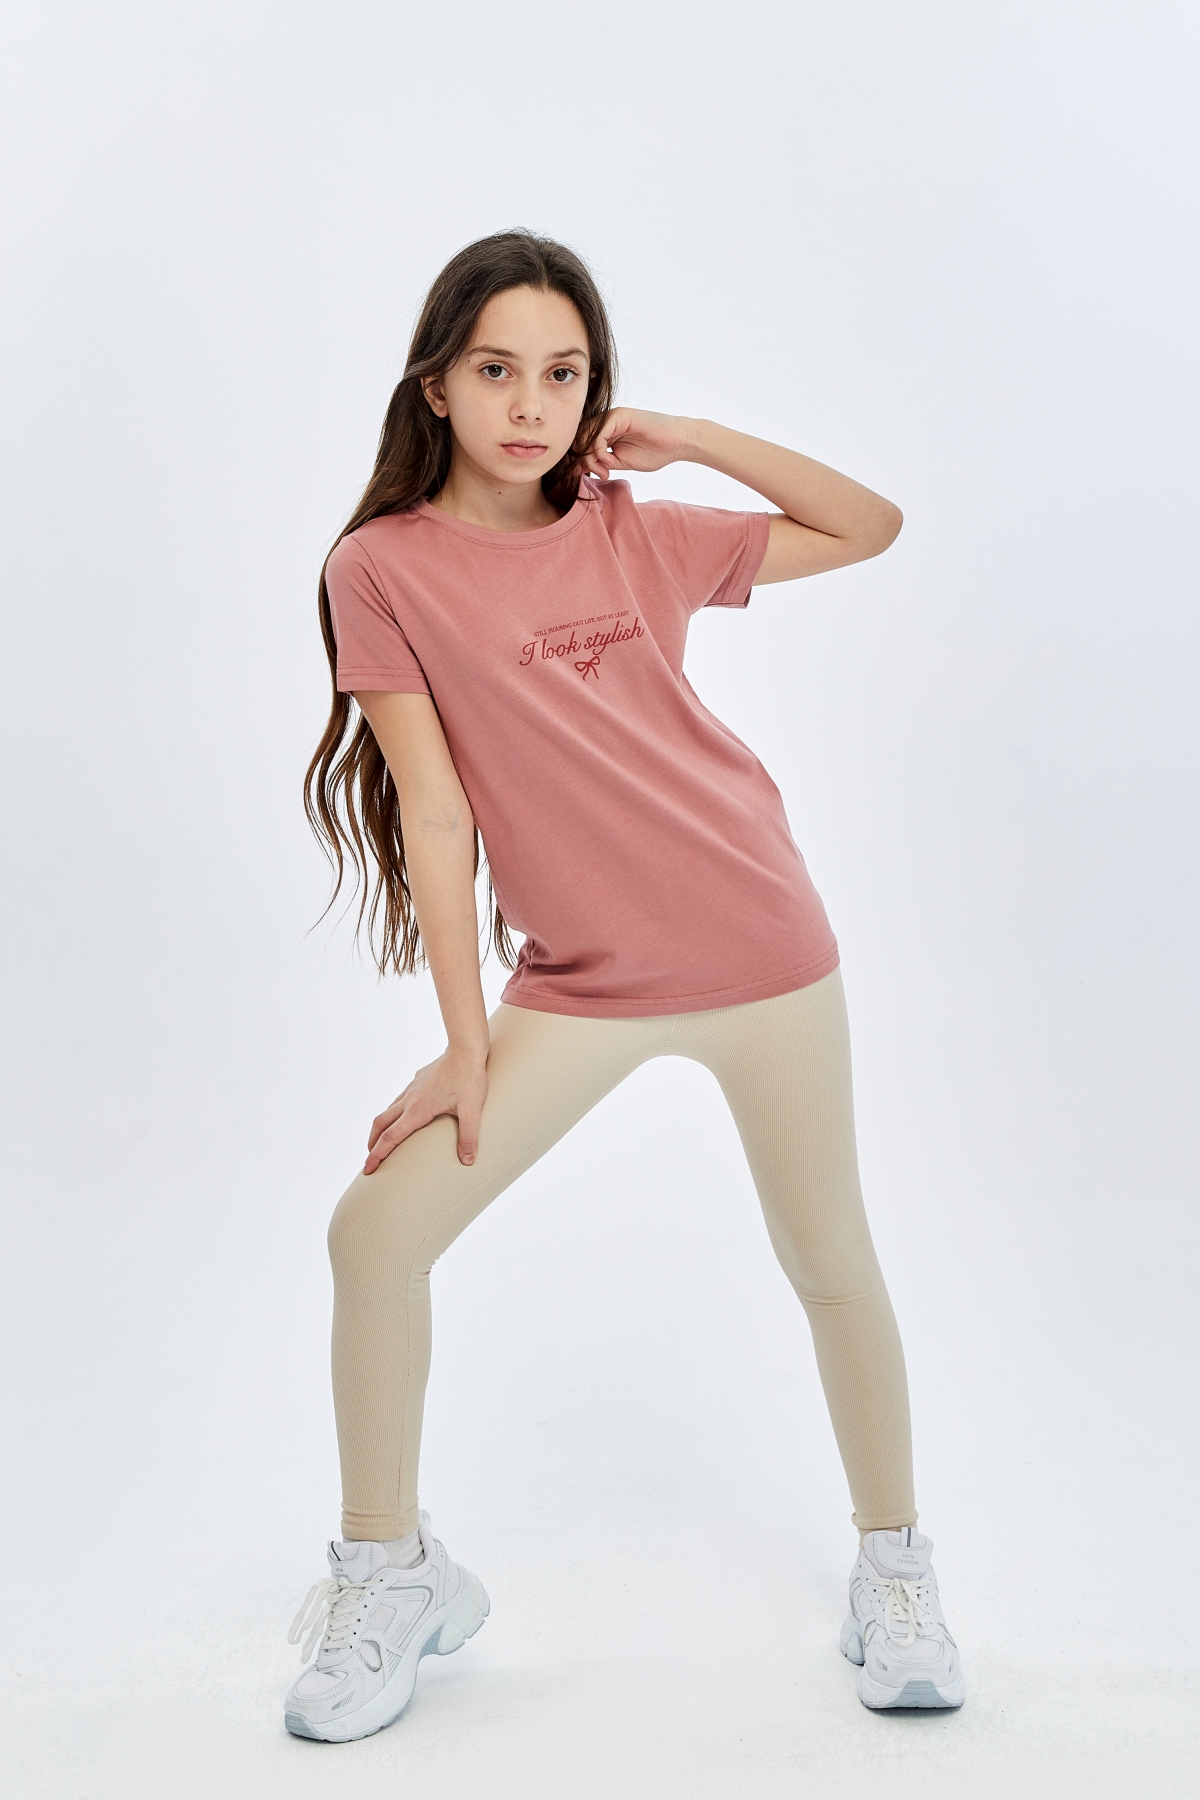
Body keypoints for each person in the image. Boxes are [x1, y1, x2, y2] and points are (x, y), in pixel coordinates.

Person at [284, 229, 964, 1742]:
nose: (531, 404)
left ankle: (897, 1571)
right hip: (580, 985)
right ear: (436, 384)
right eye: (497, 370)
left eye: (565, 373)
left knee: (829, 1255)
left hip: (762, 943)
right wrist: (465, 1046)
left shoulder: (635, 529)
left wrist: (692, 437)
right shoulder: (381, 569)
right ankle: (390, 1573)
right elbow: (438, 816)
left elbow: (871, 525)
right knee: (375, 1234)